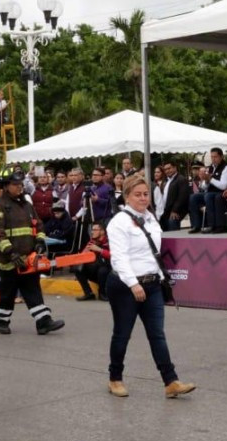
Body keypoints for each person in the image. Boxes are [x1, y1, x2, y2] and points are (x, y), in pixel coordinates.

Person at [105, 175, 196, 398]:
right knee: (122, 334)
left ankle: (170, 381)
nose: (143, 198)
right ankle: (115, 378)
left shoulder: (151, 218)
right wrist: (134, 284)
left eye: (146, 194)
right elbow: (119, 258)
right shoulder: (118, 222)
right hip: (126, 285)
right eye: (137, 194)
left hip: (152, 284)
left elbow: (152, 253)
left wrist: (158, 278)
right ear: (126, 197)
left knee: (157, 334)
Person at [0, 172, 65, 335]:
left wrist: (40, 241)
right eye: (15, 185)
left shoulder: (26, 206)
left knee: (33, 290)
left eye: (21, 184)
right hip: (7, 261)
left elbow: (39, 225)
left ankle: (44, 322)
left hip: (28, 259)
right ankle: (1, 320)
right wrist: (11, 253)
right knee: (7, 293)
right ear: (6, 186)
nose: (19, 187)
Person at [187, 148, 227, 233]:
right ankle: (196, 225)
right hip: (210, 192)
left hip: (222, 193)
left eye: (216, 157)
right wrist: (206, 181)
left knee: (208, 196)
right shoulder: (210, 168)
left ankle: (212, 225)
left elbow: (223, 185)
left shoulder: (226, 167)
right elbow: (204, 187)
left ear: (221, 157)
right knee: (193, 197)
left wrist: (210, 179)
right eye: (212, 157)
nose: (213, 159)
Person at [74, 222, 112, 301]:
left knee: (103, 270)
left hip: (108, 272)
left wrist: (99, 250)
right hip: (95, 271)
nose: (92, 232)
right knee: (77, 268)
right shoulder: (92, 241)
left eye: (95, 230)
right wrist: (85, 252)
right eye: (92, 230)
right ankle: (88, 293)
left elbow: (114, 255)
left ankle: (102, 293)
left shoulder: (110, 241)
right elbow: (82, 256)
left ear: (102, 231)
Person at [159, 161, 190, 231]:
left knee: (173, 230)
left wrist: (175, 210)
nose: (167, 171)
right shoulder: (166, 181)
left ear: (175, 168)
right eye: (165, 170)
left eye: (169, 168)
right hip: (166, 211)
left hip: (175, 211)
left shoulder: (181, 179)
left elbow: (182, 196)